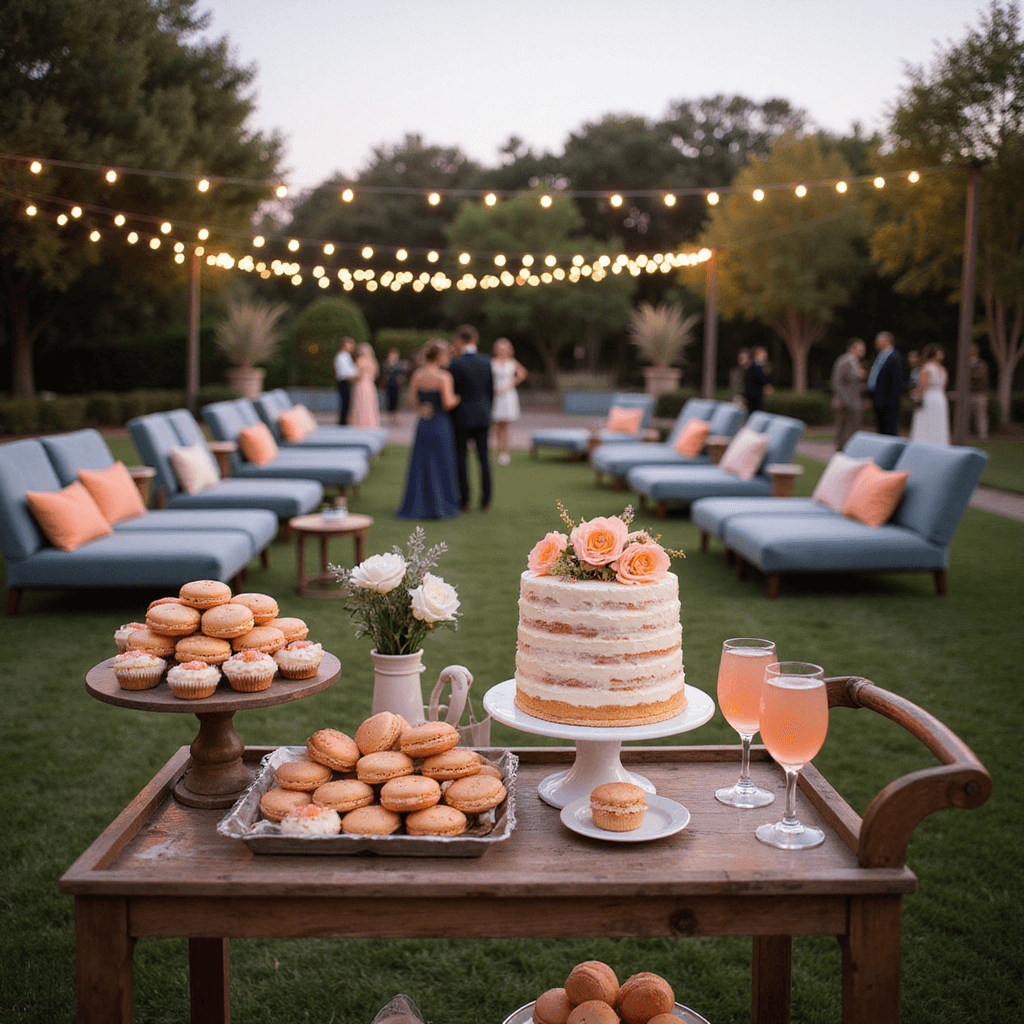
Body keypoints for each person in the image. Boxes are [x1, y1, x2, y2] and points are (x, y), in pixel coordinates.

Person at [396, 340, 462, 520]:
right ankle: (440, 504)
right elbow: (448, 403)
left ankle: (419, 505)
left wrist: (421, 408)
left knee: (421, 464)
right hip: (440, 424)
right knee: (442, 464)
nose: (448, 358)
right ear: (439, 356)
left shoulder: (417, 375)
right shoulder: (444, 377)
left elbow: (411, 401)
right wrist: (458, 398)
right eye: (446, 355)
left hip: (424, 425)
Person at [447, 324, 494, 512]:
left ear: (459, 340)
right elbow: (490, 391)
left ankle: (464, 501)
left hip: (461, 418)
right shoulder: (486, 361)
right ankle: (486, 501)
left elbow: (453, 392)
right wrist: (487, 411)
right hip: (483, 416)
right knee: (484, 460)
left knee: (461, 460)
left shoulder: (455, 363)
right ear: (475, 339)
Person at [490, 338, 527, 465]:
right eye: (500, 349)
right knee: (493, 426)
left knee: (505, 426)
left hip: (507, 395)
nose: (502, 351)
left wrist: (510, 385)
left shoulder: (512, 362)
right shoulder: (492, 362)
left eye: (504, 349)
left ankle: (504, 453)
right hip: (495, 395)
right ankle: (490, 453)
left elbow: (522, 373)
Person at [830, 338, 867, 451]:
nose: (863, 351)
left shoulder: (855, 362)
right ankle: (841, 453)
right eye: (860, 349)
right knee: (843, 430)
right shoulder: (845, 360)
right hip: (846, 402)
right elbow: (836, 382)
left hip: (853, 401)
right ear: (852, 348)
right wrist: (844, 400)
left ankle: (849, 452)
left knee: (852, 429)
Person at [910, 343, 950, 444]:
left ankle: (930, 441)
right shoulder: (933, 368)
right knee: (932, 420)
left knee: (932, 420)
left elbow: (922, 386)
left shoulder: (933, 368)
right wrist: (918, 397)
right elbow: (923, 386)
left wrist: (916, 397)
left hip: (933, 397)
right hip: (936, 397)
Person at [867, 331, 904, 436]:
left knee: (889, 430)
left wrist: (891, 402)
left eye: (878, 341)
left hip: (888, 403)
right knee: (881, 430)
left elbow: (897, 382)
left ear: (887, 341)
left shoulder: (895, 357)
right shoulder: (880, 356)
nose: (876, 344)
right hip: (878, 400)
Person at [350, 342, 380, 429]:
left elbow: (359, 375)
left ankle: (360, 424)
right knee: (369, 405)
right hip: (370, 385)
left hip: (361, 384)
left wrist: (352, 379)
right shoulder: (373, 362)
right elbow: (374, 376)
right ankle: (370, 424)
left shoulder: (360, 361)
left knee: (360, 404)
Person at [333, 337, 358, 425]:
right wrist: (356, 375)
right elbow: (344, 372)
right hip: (344, 382)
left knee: (347, 402)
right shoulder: (341, 357)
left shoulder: (347, 356)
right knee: (345, 402)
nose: (352, 346)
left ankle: (344, 421)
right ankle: (343, 422)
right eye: (350, 344)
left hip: (347, 381)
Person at [969, 343, 990, 440]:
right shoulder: (965, 363)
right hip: (968, 393)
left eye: (973, 349)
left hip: (980, 393)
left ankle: (982, 435)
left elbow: (980, 375)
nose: (971, 351)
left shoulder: (981, 363)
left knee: (981, 415)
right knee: (965, 415)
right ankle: (965, 433)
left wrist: (970, 376)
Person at [743, 346, 772, 413]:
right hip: (754, 396)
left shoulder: (758, 366)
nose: (765, 357)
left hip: (755, 395)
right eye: (763, 355)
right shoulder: (754, 366)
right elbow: (762, 379)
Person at [381, 348, 405, 424]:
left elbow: (401, 374)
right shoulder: (386, 363)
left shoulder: (399, 363)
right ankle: (389, 417)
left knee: (396, 400)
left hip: (396, 384)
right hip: (389, 384)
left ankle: (395, 418)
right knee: (389, 400)